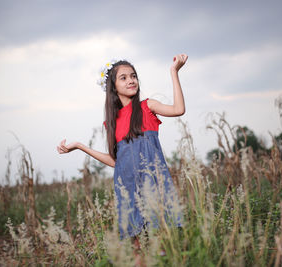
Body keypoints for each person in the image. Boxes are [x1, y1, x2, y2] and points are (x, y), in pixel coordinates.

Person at [57, 54, 188, 262]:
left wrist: (174, 72)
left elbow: (179, 109)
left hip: (153, 183)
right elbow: (115, 161)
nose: (131, 80)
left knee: (161, 244)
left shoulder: (147, 107)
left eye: (133, 76)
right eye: (124, 78)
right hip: (127, 188)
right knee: (137, 247)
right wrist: (81, 147)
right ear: (113, 86)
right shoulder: (111, 123)